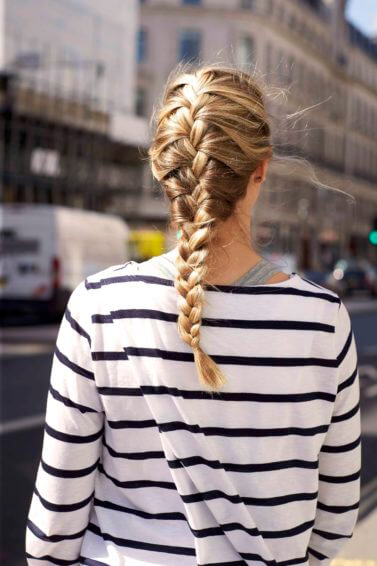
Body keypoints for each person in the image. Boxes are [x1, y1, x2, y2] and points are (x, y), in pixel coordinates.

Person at [25, 63, 361, 566]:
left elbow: (55, 523)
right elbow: (335, 517)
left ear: (163, 167)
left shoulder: (97, 308)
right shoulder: (323, 322)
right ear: (261, 168)